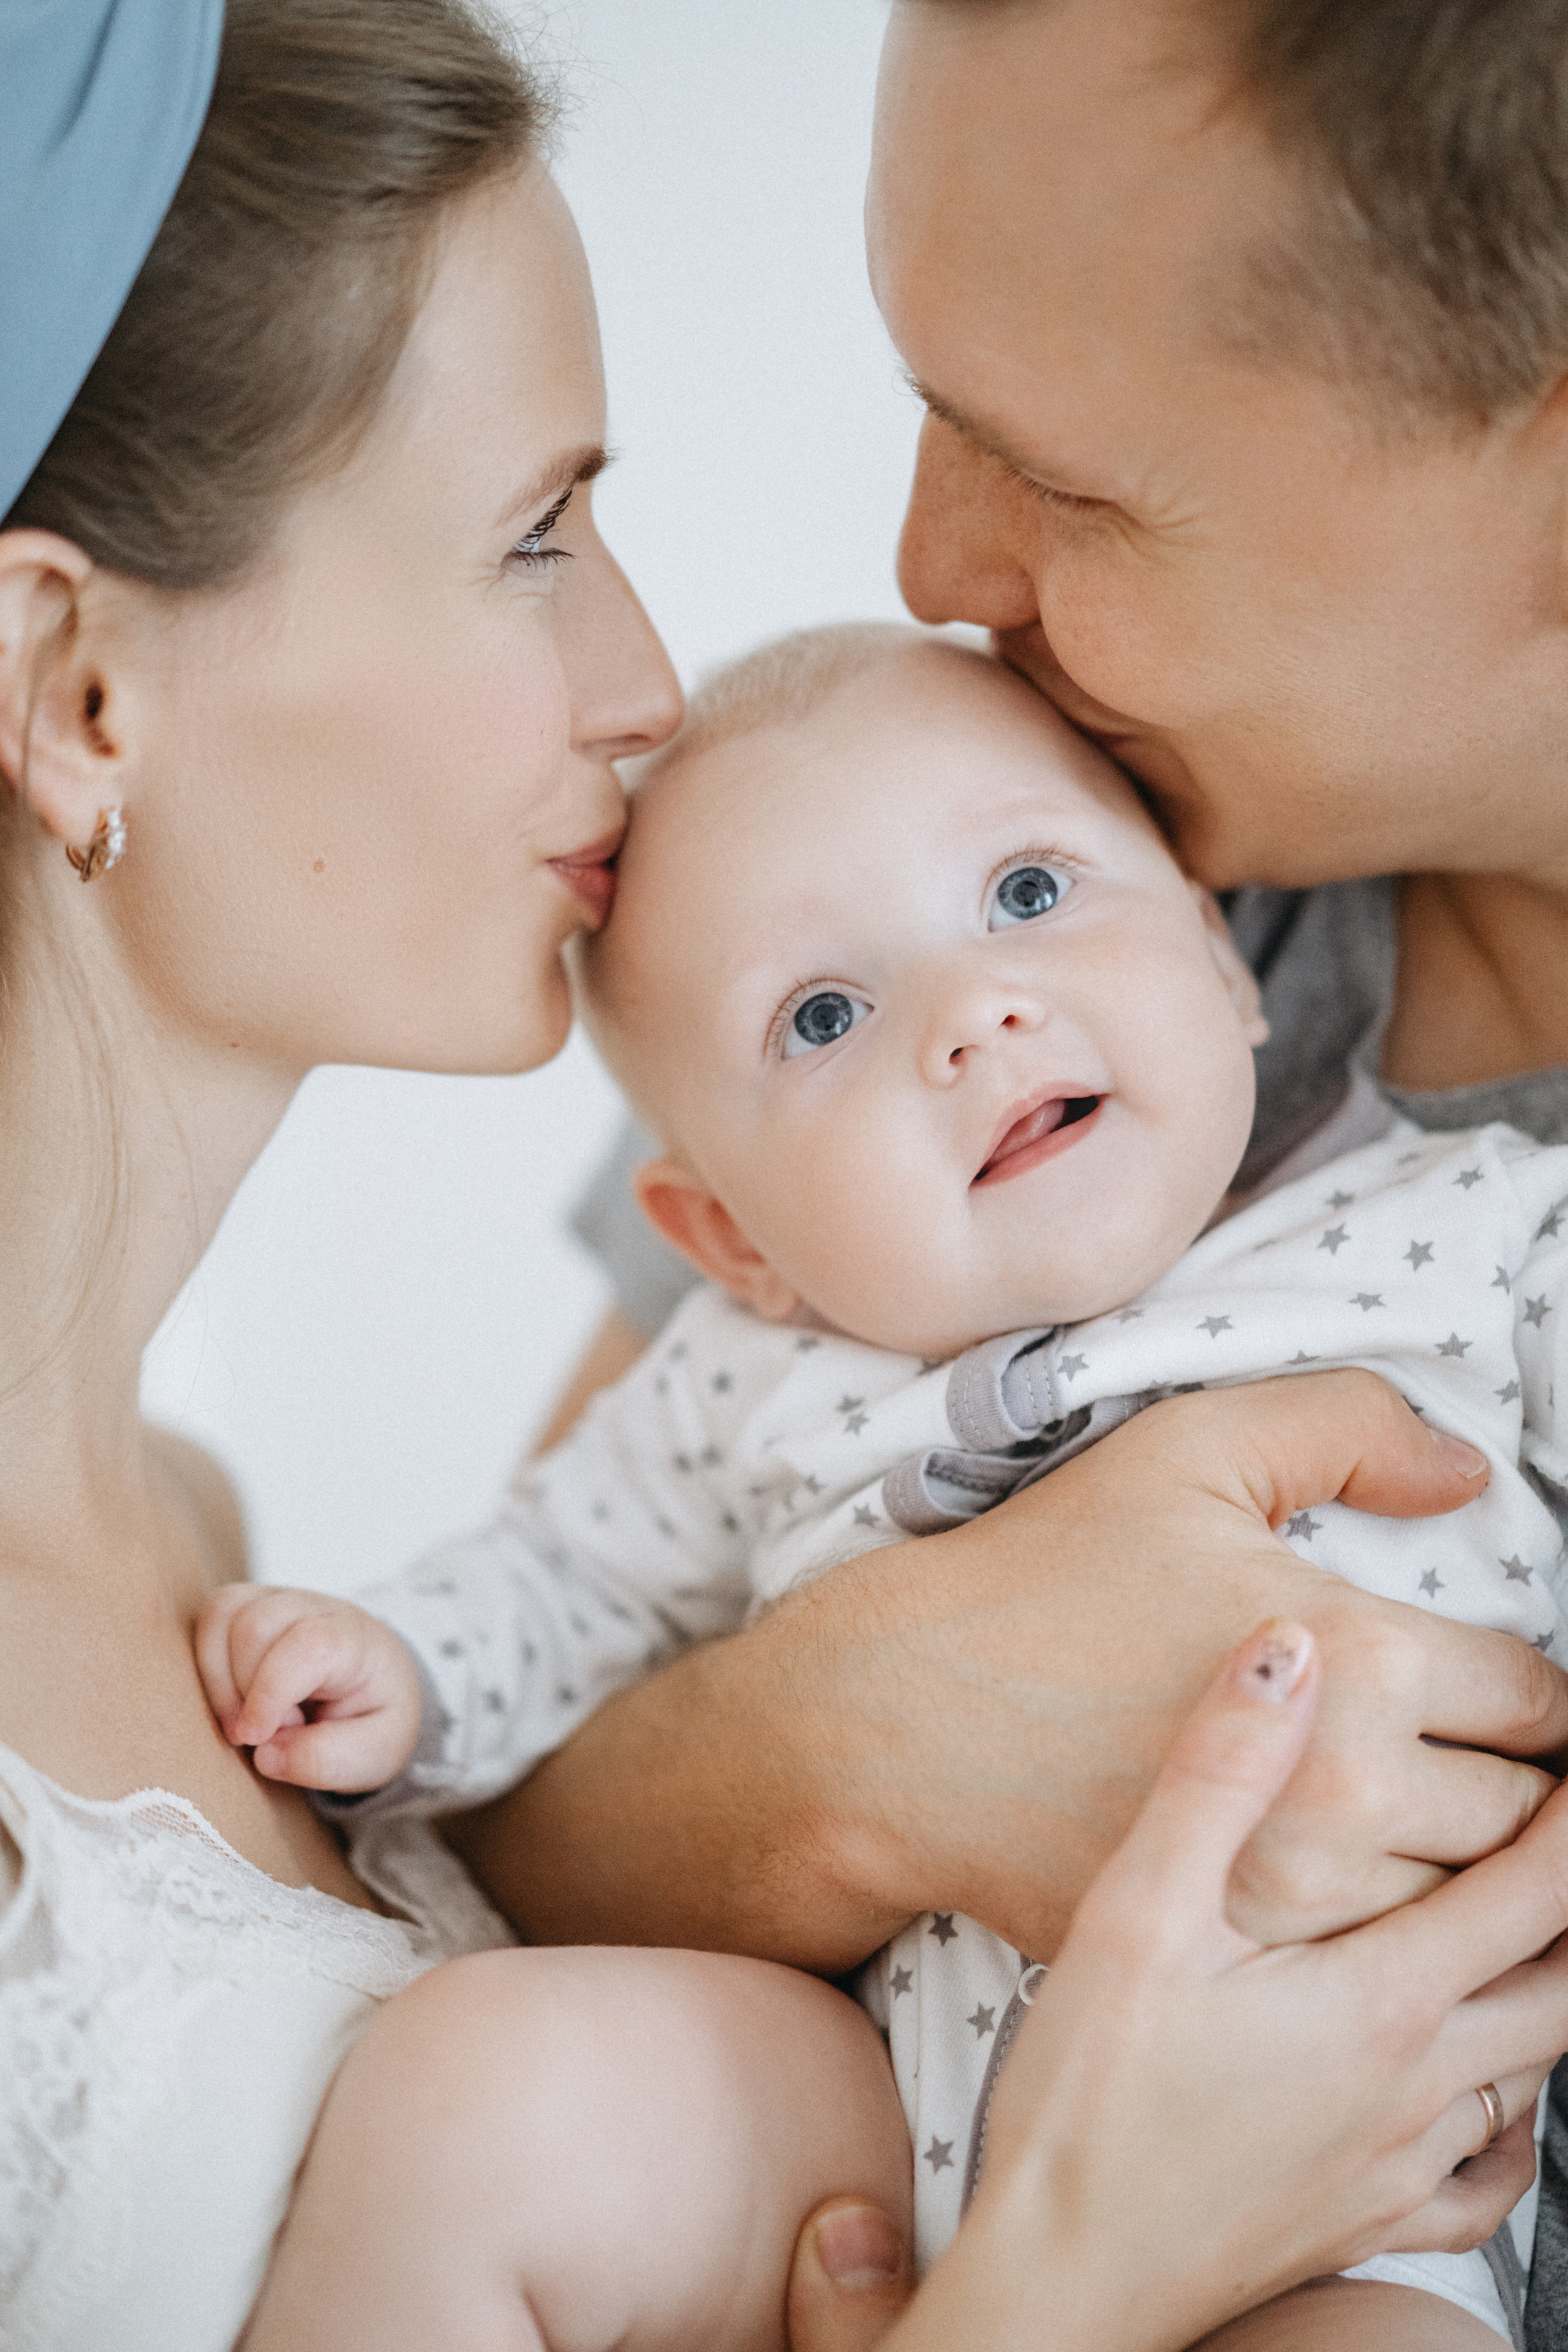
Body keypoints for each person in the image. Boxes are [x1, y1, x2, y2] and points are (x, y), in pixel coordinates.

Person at [0, 1, 1562, 2346]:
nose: (930, 569)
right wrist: (877, 1739)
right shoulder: (961, 935)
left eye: (1072, 471)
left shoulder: (1050, 940)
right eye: (536, 530)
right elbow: (506, 1811)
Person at [201, 620, 1568, 2345]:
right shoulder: (748, 1372)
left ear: (1229, 970)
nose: (973, 1013)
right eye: (825, 1014)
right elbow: (562, 1580)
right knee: (472, 2091)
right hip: (852, 2126)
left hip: (1332, 2181)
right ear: (731, 1240)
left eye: (1023, 893)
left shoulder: (1484, 1231)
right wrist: (398, 1671)